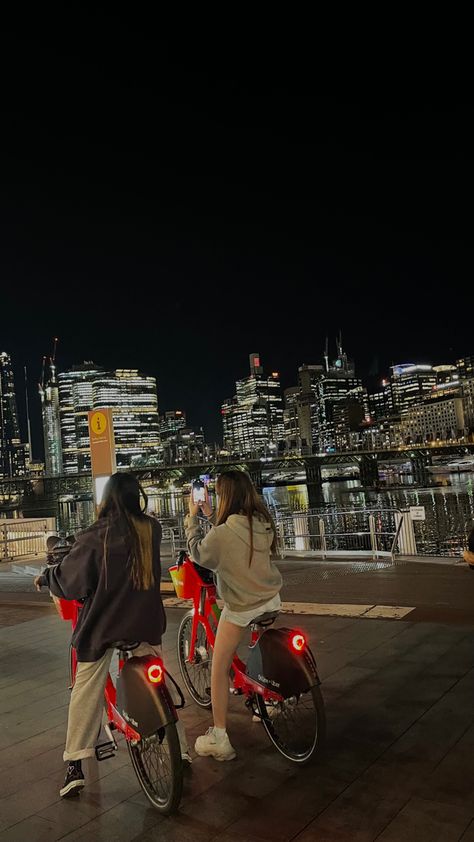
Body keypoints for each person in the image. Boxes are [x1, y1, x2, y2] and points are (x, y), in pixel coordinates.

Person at [35, 472, 190, 798]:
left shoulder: (95, 537)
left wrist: (49, 577)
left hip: (105, 627)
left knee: (86, 686)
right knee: (159, 680)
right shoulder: (152, 529)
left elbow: (71, 581)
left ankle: (76, 762)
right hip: (146, 623)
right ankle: (183, 752)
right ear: (138, 497)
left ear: (106, 500)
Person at [185, 470, 282, 761]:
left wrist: (192, 519)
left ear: (225, 496)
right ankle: (269, 696)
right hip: (272, 599)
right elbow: (233, 533)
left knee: (218, 665)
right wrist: (211, 514)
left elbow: (200, 553)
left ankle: (219, 737)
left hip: (242, 607)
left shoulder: (222, 534)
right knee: (261, 647)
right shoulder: (262, 521)